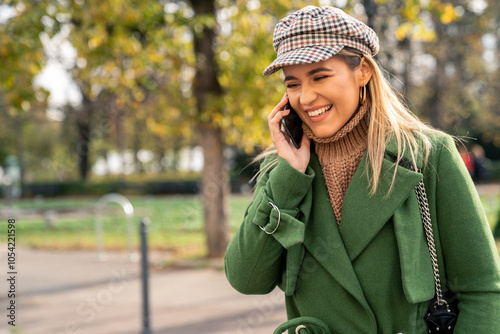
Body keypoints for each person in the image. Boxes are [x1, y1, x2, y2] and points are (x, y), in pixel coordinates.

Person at [224, 6, 500, 334]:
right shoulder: (283, 169)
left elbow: (482, 290)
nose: (306, 97)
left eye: (320, 76)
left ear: (363, 72)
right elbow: (246, 279)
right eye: (293, 83)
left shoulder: (428, 155)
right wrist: (288, 178)